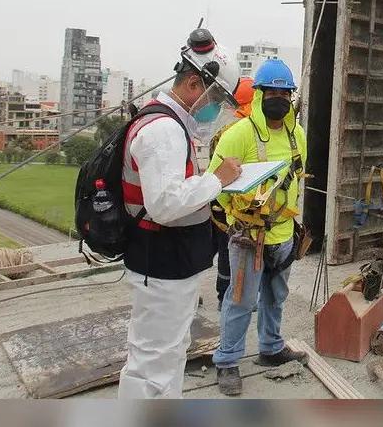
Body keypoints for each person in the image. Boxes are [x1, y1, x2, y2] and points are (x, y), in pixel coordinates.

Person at [116, 28, 246, 399]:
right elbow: (165, 204)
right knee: (154, 363)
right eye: (216, 98)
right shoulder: (164, 131)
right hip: (162, 262)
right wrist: (217, 180)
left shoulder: (167, 124)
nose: (215, 108)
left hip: (166, 262)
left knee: (166, 354)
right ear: (193, 84)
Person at [207, 58, 309, 396]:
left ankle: (271, 348)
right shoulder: (238, 135)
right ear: (259, 95)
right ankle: (227, 360)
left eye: (285, 93)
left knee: (276, 296)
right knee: (241, 300)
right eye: (272, 93)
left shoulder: (297, 135)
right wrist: (235, 217)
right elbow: (213, 183)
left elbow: (296, 178)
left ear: (291, 97)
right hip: (249, 237)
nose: (279, 99)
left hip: (283, 233)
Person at [209, 77, 255, 308]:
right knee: (234, 250)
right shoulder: (243, 129)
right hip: (235, 201)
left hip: (218, 198)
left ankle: (223, 296)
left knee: (225, 249)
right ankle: (231, 297)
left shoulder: (223, 126)